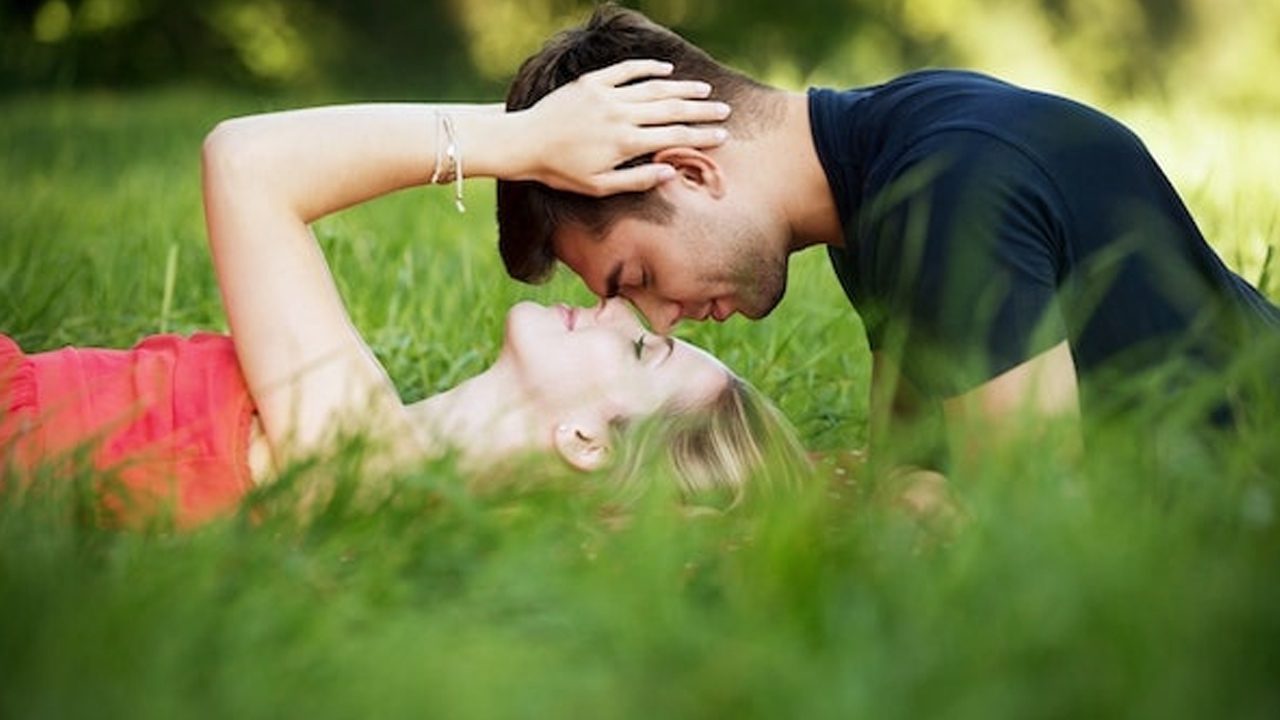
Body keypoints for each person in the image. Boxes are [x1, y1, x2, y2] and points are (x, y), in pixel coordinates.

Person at [0, 60, 807, 527]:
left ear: (586, 442)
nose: (613, 307)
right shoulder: (375, 457)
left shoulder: (367, 462)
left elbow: (246, 163)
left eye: (640, 348)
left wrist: (523, 138)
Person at [496, 5, 1280, 473]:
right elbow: (908, 474)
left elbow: (1030, 533)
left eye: (634, 274)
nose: (656, 318)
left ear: (690, 171)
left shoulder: (943, 188)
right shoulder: (884, 174)